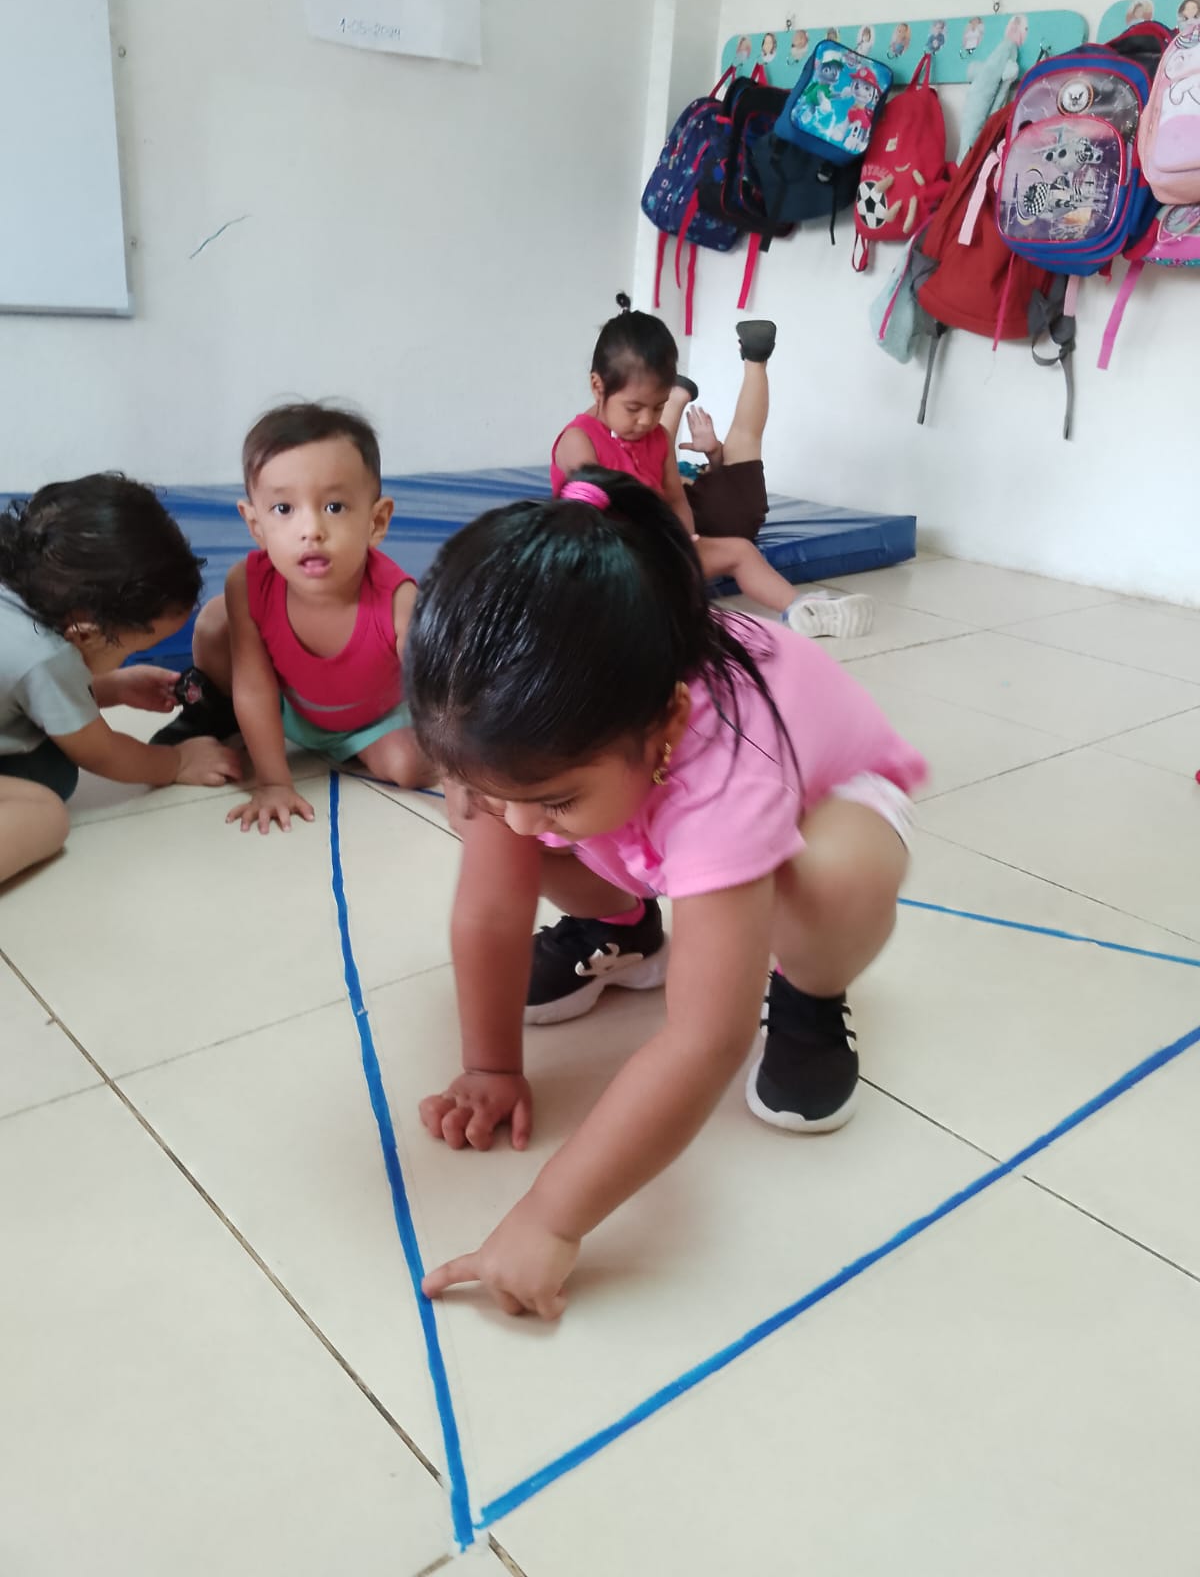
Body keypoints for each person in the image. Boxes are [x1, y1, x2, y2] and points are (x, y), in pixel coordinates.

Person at [410, 470, 926, 1320]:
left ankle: (810, 993)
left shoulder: (726, 771)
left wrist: (552, 1219)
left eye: (552, 796)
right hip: (634, 803)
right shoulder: (521, 737)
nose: (516, 820)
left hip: (824, 813)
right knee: (505, 818)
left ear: (670, 726)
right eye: (489, 784)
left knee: (834, 877)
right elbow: (492, 906)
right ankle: (623, 927)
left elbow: (706, 1038)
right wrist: (490, 1066)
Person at [156, 403, 434, 833]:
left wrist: (470, 771)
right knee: (213, 622)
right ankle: (218, 714)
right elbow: (253, 685)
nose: (311, 530)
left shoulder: (399, 601)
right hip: (288, 706)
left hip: (370, 720)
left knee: (409, 766)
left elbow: (439, 695)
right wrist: (273, 782)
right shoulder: (247, 584)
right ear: (255, 524)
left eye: (335, 507)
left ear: (376, 521)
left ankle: (350, 746)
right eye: (284, 509)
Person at [552, 296, 870, 637]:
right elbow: (587, 524)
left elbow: (676, 497)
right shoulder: (579, 441)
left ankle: (803, 609)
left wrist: (683, 541)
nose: (646, 420)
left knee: (741, 551)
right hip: (603, 565)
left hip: (657, 554)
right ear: (597, 386)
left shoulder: (658, 438)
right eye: (633, 408)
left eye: (658, 407)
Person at [0, 474, 240, 885]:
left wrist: (113, 686)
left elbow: (18, 684)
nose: (125, 659)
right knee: (44, 812)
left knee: (49, 764)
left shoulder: (18, 577)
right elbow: (101, 752)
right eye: (129, 649)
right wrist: (176, 762)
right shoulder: (43, 655)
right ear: (85, 633)